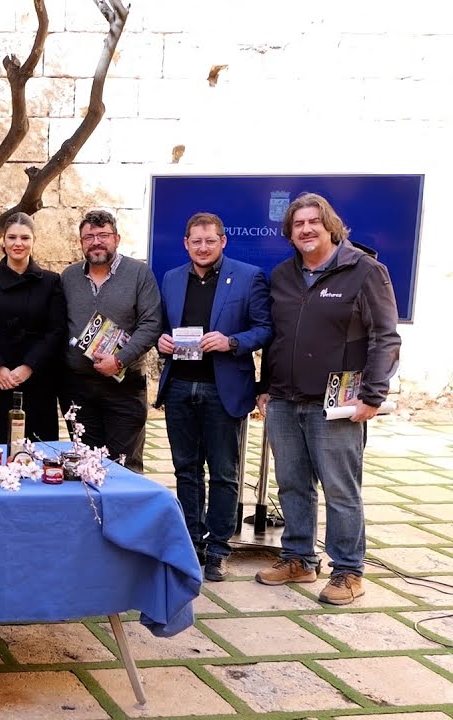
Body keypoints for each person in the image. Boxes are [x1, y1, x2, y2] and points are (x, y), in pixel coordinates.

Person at [255, 192, 401, 605]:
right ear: (290, 232)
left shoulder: (365, 271)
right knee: (292, 485)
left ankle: (349, 571)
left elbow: (385, 337)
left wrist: (373, 395)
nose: (305, 229)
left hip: (337, 402)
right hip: (284, 398)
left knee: (341, 489)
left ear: (330, 226)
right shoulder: (282, 275)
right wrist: (265, 387)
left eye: (312, 223)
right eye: (297, 224)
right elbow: (276, 337)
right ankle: (299, 557)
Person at [154, 212, 272, 582]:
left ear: (223, 241)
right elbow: (160, 327)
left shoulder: (249, 276)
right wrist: (161, 341)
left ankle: (218, 549)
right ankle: (191, 542)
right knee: (185, 470)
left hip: (222, 388)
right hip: (178, 387)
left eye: (209, 240)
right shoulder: (172, 278)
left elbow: (266, 329)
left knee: (224, 473)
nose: (202, 247)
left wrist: (232, 342)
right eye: (195, 241)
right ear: (186, 243)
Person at [60, 209, 162, 473]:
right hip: (78, 389)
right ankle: (90, 515)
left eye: (103, 235)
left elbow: (151, 324)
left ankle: (125, 515)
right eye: (89, 237)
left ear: (117, 238)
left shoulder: (139, 274)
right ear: (81, 242)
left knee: (124, 467)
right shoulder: (69, 277)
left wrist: (119, 359)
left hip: (124, 388)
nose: (96, 242)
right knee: (84, 466)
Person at [0, 212, 67, 443]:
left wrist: (29, 367)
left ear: (34, 241)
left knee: (36, 450)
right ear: (3, 241)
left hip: (36, 379)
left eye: (24, 238)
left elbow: (55, 331)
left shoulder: (51, 281)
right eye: (12, 237)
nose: (18, 243)